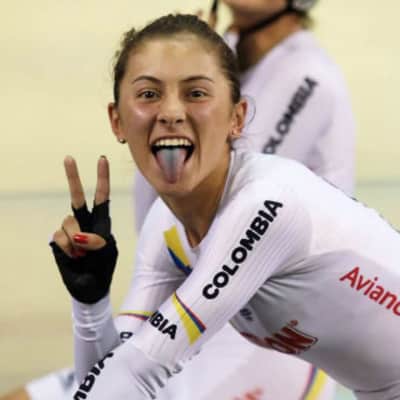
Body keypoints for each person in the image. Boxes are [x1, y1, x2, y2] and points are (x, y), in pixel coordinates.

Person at [1, 0, 355, 398]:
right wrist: (91, 301)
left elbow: (225, 205)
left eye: (195, 91)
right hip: (188, 308)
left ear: (239, 115)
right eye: (151, 92)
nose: (171, 110)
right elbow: (165, 204)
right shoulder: (217, 49)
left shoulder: (308, 75)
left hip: (262, 342)